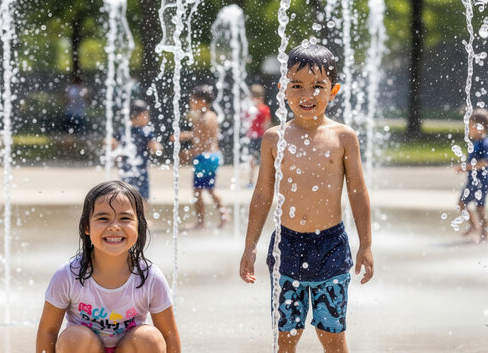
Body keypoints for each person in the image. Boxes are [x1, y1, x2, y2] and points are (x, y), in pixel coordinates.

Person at [239, 43, 374, 353]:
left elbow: (357, 192)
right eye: (296, 85)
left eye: (317, 86)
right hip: (286, 245)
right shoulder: (275, 137)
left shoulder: (343, 137)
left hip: (331, 246)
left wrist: (365, 244)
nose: (306, 95)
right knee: (286, 337)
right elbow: (262, 194)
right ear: (283, 88)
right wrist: (250, 246)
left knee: (332, 336)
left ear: (334, 90)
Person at [36, 181, 180, 353]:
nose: (114, 227)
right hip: (85, 348)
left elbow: (169, 335)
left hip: (129, 349)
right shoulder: (68, 275)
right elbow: (48, 332)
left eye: (125, 218)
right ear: (86, 227)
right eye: (103, 218)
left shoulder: (150, 277)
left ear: (139, 225)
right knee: (74, 337)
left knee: (149, 338)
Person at [177, 84, 229, 229]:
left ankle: (201, 222)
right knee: (210, 188)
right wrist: (185, 136)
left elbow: (202, 143)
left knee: (198, 191)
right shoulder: (211, 116)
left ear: (202, 101)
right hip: (214, 156)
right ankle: (224, 215)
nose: (190, 103)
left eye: (192, 100)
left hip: (204, 157)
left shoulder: (201, 118)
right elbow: (206, 137)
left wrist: (189, 153)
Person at [112, 99, 163, 202]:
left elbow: (114, 143)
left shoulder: (124, 130)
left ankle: (129, 214)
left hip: (126, 168)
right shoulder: (145, 131)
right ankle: (140, 216)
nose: (148, 118)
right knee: (143, 196)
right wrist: (158, 147)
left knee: (127, 193)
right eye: (147, 115)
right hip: (140, 168)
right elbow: (154, 146)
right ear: (141, 115)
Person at [456, 108, 488, 242]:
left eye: (470, 126)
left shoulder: (485, 142)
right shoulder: (476, 142)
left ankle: (485, 234)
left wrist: (466, 167)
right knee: (461, 203)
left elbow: (485, 162)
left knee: (480, 208)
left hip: (482, 181)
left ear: (480, 127)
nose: (468, 129)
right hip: (472, 181)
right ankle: (474, 226)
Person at [244, 84, 272, 188]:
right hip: (253, 137)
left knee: (261, 160)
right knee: (252, 159)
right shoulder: (253, 109)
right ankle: (252, 180)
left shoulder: (264, 109)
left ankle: (258, 181)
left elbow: (266, 124)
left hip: (260, 137)